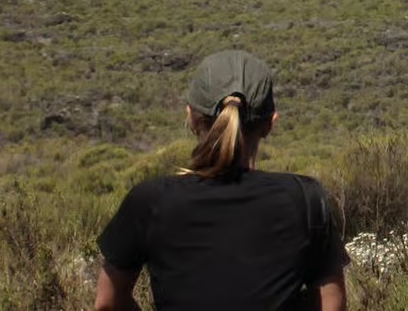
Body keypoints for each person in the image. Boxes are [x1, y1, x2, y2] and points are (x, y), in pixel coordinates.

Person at [95, 50, 348, 311]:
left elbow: (108, 302)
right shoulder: (305, 198)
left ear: (191, 117)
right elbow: (332, 303)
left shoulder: (149, 201)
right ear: (269, 124)